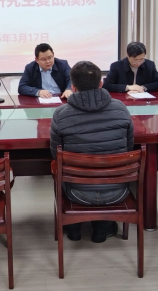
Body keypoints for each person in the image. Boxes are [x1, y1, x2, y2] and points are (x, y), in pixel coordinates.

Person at [50, 60, 134, 243]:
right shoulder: (121, 109)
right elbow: (128, 150)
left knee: (58, 168)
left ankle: (73, 228)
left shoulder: (61, 114)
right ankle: (102, 229)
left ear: (73, 87)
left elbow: (56, 154)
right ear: (101, 83)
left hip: (76, 192)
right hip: (117, 190)